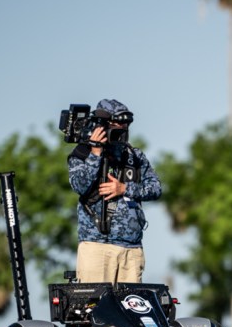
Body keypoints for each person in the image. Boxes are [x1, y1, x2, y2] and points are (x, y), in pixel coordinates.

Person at [67, 98, 162, 284]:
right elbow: (79, 185)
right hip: (97, 246)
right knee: (95, 302)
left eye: (126, 124)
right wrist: (95, 153)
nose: (123, 128)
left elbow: (156, 189)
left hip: (131, 249)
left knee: (132, 303)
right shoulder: (82, 153)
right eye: (118, 123)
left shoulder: (133, 155)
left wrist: (125, 188)